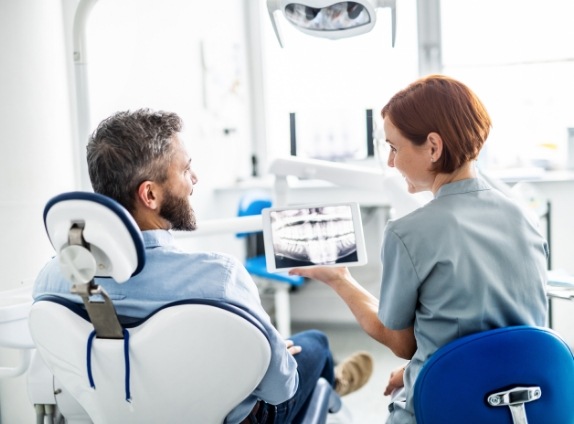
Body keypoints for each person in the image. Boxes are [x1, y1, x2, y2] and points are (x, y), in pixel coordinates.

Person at [33, 108, 374, 424]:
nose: (194, 178)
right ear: (149, 196)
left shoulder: (53, 280)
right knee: (314, 345)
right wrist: (274, 355)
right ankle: (333, 384)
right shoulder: (219, 279)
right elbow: (279, 389)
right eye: (184, 169)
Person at [289, 74, 549, 423]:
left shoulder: (408, 233)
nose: (391, 163)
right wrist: (420, 370)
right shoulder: (525, 217)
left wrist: (340, 279)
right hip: (522, 405)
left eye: (394, 148)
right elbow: (495, 332)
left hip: (451, 407)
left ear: (433, 147)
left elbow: (401, 343)